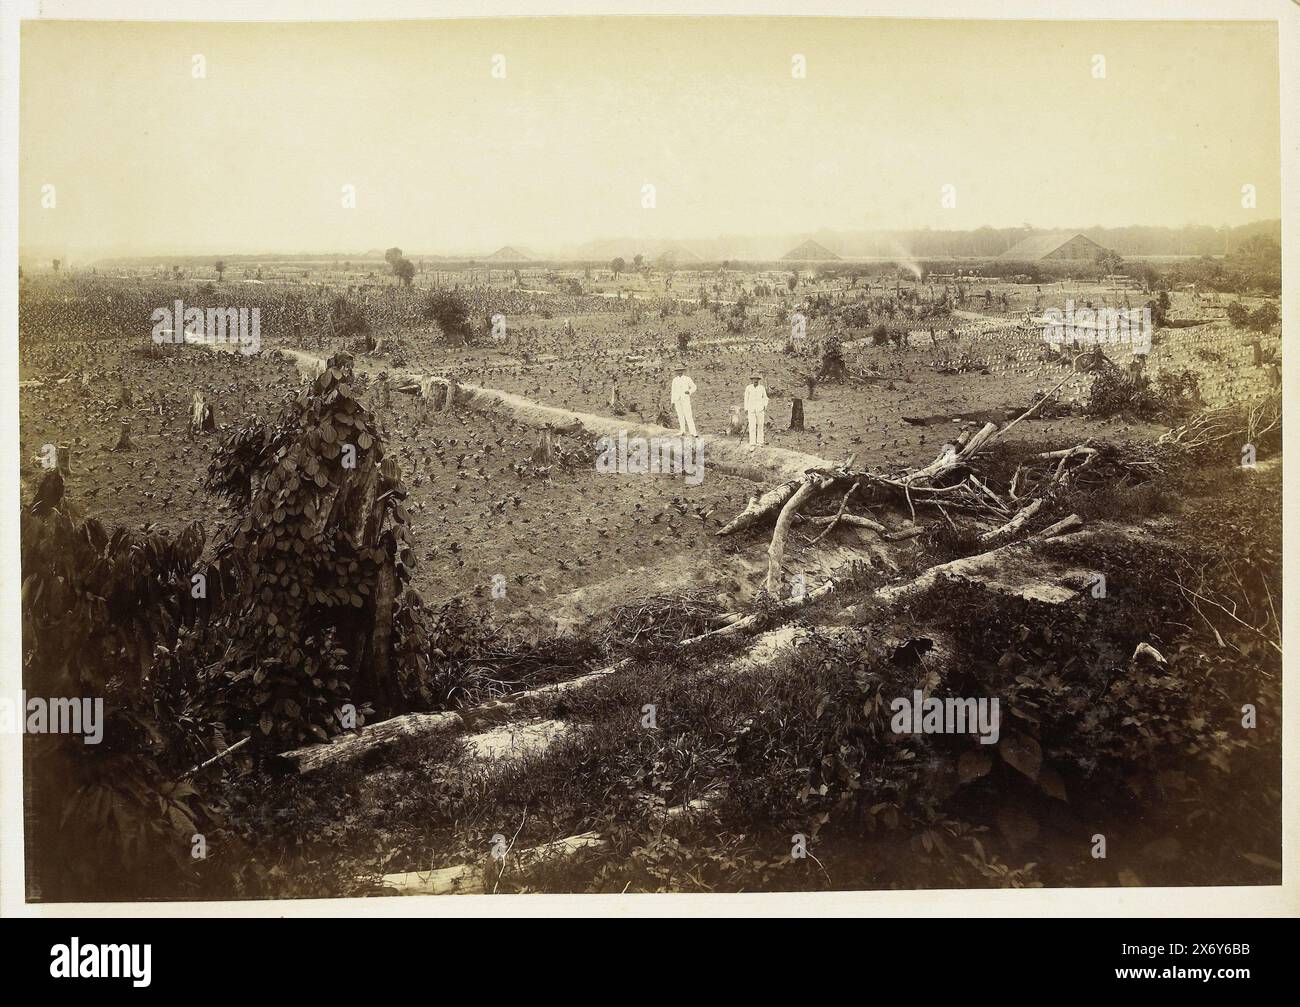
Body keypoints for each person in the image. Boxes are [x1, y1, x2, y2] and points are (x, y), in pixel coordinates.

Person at [670, 362, 698, 436]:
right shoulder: (674, 380)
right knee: (680, 416)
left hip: (685, 399)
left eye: (680, 370)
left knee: (688, 415)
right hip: (677, 400)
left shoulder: (687, 379)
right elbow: (673, 391)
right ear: (676, 372)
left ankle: (693, 432)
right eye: (677, 371)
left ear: (683, 371)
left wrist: (689, 391)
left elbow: (694, 387)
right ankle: (682, 431)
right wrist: (672, 402)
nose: (679, 372)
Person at [744, 371, 768, 448]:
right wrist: (746, 408)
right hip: (751, 410)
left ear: (759, 380)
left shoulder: (762, 388)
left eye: (757, 379)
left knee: (760, 426)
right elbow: (746, 399)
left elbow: (765, 398)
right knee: (752, 426)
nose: (755, 380)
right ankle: (752, 443)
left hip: (760, 410)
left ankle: (760, 442)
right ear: (752, 380)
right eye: (754, 379)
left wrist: (764, 406)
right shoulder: (748, 388)